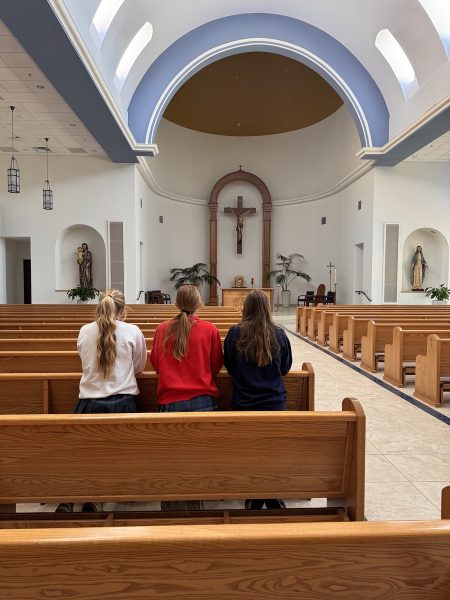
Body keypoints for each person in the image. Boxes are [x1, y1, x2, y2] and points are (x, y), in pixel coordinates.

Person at [56, 289, 147, 513]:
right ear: (123, 310)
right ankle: (96, 498)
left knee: (82, 456)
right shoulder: (133, 331)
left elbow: (85, 363)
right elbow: (139, 367)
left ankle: (69, 498)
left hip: (89, 403)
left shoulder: (85, 331)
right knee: (115, 456)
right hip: (123, 403)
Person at [150, 284, 224, 510]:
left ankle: (171, 509)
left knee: (172, 462)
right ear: (199, 304)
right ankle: (197, 507)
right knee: (200, 461)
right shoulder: (209, 329)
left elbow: (155, 362)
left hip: (170, 402)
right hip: (203, 402)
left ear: (176, 304)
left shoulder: (162, 329)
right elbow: (216, 364)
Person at [223, 289, 292, 510]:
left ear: (246, 308)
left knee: (249, 451)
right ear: (267, 308)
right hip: (274, 403)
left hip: (244, 402)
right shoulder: (279, 334)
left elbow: (231, 367)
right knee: (273, 450)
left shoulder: (235, 333)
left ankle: (254, 495)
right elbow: (285, 368)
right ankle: (270, 495)